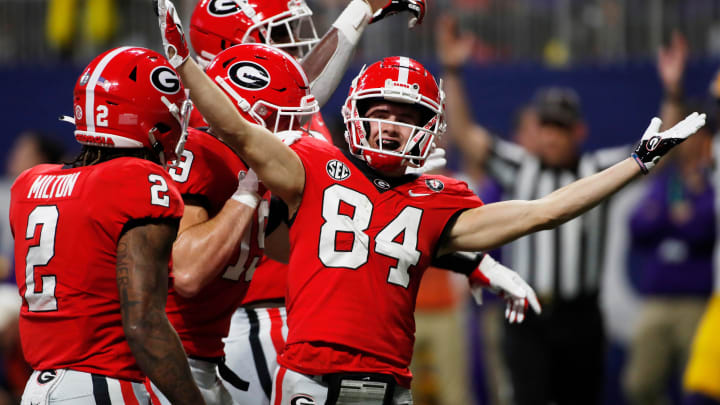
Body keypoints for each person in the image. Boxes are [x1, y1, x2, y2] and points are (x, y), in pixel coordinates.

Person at [156, 2, 704, 403]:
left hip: (393, 385)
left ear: (430, 129)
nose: (390, 126)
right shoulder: (313, 164)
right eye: (381, 110)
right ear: (354, 109)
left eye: (408, 116)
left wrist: (638, 161)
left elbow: (547, 210)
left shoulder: (438, 198)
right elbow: (243, 130)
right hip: (306, 377)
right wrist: (185, 66)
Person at [153, 1, 432, 404]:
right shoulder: (198, 140)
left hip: (229, 343)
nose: (293, 48)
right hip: (217, 338)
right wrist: (358, 14)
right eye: (278, 36)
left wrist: (386, 189)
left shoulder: (251, 138)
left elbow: (316, 243)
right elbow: (189, 273)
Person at [10, 47, 205, 405]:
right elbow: (143, 323)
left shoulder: (28, 184)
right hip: (104, 385)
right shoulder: (138, 181)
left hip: (38, 387)